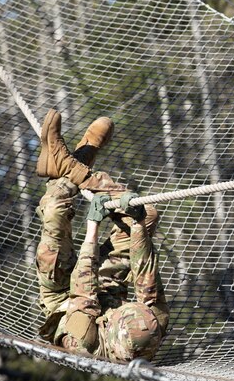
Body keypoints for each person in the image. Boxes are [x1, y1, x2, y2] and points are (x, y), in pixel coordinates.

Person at [34, 109, 170, 363]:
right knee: (148, 214)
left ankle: (76, 164)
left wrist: (93, 227)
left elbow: (82, 291)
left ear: (112, 329)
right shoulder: (153, 324)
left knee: (55, 207)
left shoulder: (84, 341)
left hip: (66, 294)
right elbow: (144, 271)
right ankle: (75, 164)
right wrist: (137, 222)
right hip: (107, 288)